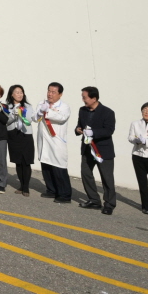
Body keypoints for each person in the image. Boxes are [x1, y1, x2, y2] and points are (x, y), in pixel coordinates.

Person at [75, 86, 116, 215]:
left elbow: (109, 130)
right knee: (85, 173)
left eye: (85, 97)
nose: (83, 100)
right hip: (87, 149)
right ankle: (94, 200)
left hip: (102, 150)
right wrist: (78, 129)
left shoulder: (108, 112)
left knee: (107, 178)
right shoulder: (82, 110)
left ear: (94, 98)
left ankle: (109, 204)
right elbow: (79, 124)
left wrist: (93, 132)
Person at [35, 82, 72, 204]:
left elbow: (62, 117)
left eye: (53, 92)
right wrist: (40, 111)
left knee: (58, 167)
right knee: (46, 165)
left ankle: (65, 194)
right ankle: (51, 190)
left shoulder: (64, 106)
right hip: (43, 140)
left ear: (60, 94)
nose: (50, 94)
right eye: (49, 91)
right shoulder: (42, 103)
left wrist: (48, 111)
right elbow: (34, 118)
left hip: (56, 141)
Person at [5, 85, 36, 196]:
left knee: (26, 161)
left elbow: (29, 121)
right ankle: (21, 185)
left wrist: (21, 114)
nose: (19, 94)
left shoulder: (28, 106)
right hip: (13, 135)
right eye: (17, 92)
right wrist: (13, 115)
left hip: (25, 135)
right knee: (18, 162)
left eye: (21, 92)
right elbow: (6, 121)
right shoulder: (7, 107)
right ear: (11, 94)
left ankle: (26, 187)